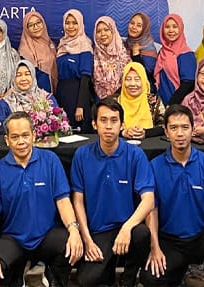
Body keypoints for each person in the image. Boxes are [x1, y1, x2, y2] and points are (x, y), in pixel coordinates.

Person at [0, 111, 83, 287]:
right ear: (7, 140)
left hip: (46, 236)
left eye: (25, 135)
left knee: (72, 244)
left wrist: (74, 230)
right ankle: (17, 277)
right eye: (15, 137)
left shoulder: (50, 160)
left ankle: (53, 277)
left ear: (34, 135)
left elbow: (63, 201)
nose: (21, 141)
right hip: (13, 239)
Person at [141, 104, 204, 287]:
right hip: (170, 240)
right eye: (174, 128)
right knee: (150, 278)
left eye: (185, 127)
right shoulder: (155, 166)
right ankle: (180, 275)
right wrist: (154, 246)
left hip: (201, 236)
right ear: (166, 132)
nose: (180, 133)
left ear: (192, 130)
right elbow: (152, 210)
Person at [71, 98, 154, 287]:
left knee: (142, 234)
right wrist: (87, 240)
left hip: (128, 226)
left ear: (122, 124)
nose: (109, 126)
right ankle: (106, 273)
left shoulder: (135, 154)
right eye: (103, 120)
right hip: (99, 230)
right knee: (86, 281)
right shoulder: (82, 155)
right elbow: (78, 201)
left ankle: (129, 278)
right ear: (94, 124)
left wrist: (127, 227)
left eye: (114, 120)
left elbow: (149, 200)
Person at [0, 59, 59, 132]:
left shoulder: (47, 99)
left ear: (33, 77)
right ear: (13, 78)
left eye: (27, 74)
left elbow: (57, 124)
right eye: (18, 75)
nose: (23, 79)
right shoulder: (4, 104)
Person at [55, 9, 93, 130]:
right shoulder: (62, 44)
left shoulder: (85, 46)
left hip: (77, 95)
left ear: (80, 24)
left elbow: (85, 79)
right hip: (62, 93)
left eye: (75, 23)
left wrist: (80, 106)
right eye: (67, 23)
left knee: (78, 133)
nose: (71, 27)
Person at [154, 13, 196, 106]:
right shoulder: (162, 52)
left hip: (178, 106)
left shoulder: (186, 54)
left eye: (175, 26)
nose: (171, 30)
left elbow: (188, 83)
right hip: (162, 105)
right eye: (167, 27)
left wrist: (171, 105)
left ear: (180, 28)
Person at [118, 61, 164, 140]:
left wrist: (146, 133)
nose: (132, 84)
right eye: (128, 79)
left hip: (150, 145)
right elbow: (103, 126)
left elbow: (165, 126)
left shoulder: (154, 101)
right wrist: (123, 132)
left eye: (137, 79)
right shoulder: (115, 102)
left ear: (144, 81)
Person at [92, 16, 131, 100]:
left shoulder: (124, 52)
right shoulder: (92, 54)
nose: (103, 34)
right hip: (100, 101)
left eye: (106, 30)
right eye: (99, 31)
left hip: (124, 99)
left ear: (113, 31)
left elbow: (129, 79)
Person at [19, 11, 58, 93]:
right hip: (38, 94)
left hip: (56, 91)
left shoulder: (50, 44)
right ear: (26, 29)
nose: (36, 27)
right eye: (31, 25)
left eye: (38, 23)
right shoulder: (25, 50)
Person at [124, 12, 158, 91]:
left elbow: (146, 74)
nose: (134, 27)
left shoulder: (149, 49)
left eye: (139, 25)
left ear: (144, 29)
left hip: (145, 90)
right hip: (127, 90)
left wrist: (136, 55)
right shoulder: (125, 44)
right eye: (132, 23)